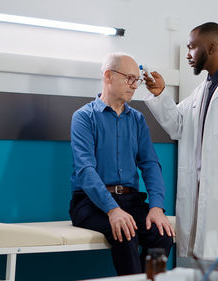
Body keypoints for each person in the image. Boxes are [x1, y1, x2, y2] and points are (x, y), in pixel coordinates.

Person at [143, 22, 218, 267]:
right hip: (204, 194)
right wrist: (160, 94)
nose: (188, 55)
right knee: (207, 262)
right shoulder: (202, 90)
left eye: (192, 48)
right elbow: (178, 125)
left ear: (211, 47)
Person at [69, 53, 175, 276]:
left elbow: (150, 164)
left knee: (162, 235)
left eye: (137, 79)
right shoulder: (84, 117)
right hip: (89, 203)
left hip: (130, 200)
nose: (134, 85)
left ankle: (150, 279)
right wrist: (112, 210)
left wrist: (156, 207)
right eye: (129, 78)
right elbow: (86, 171)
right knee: (126, 233)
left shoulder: (137, 120)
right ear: (108, 76)